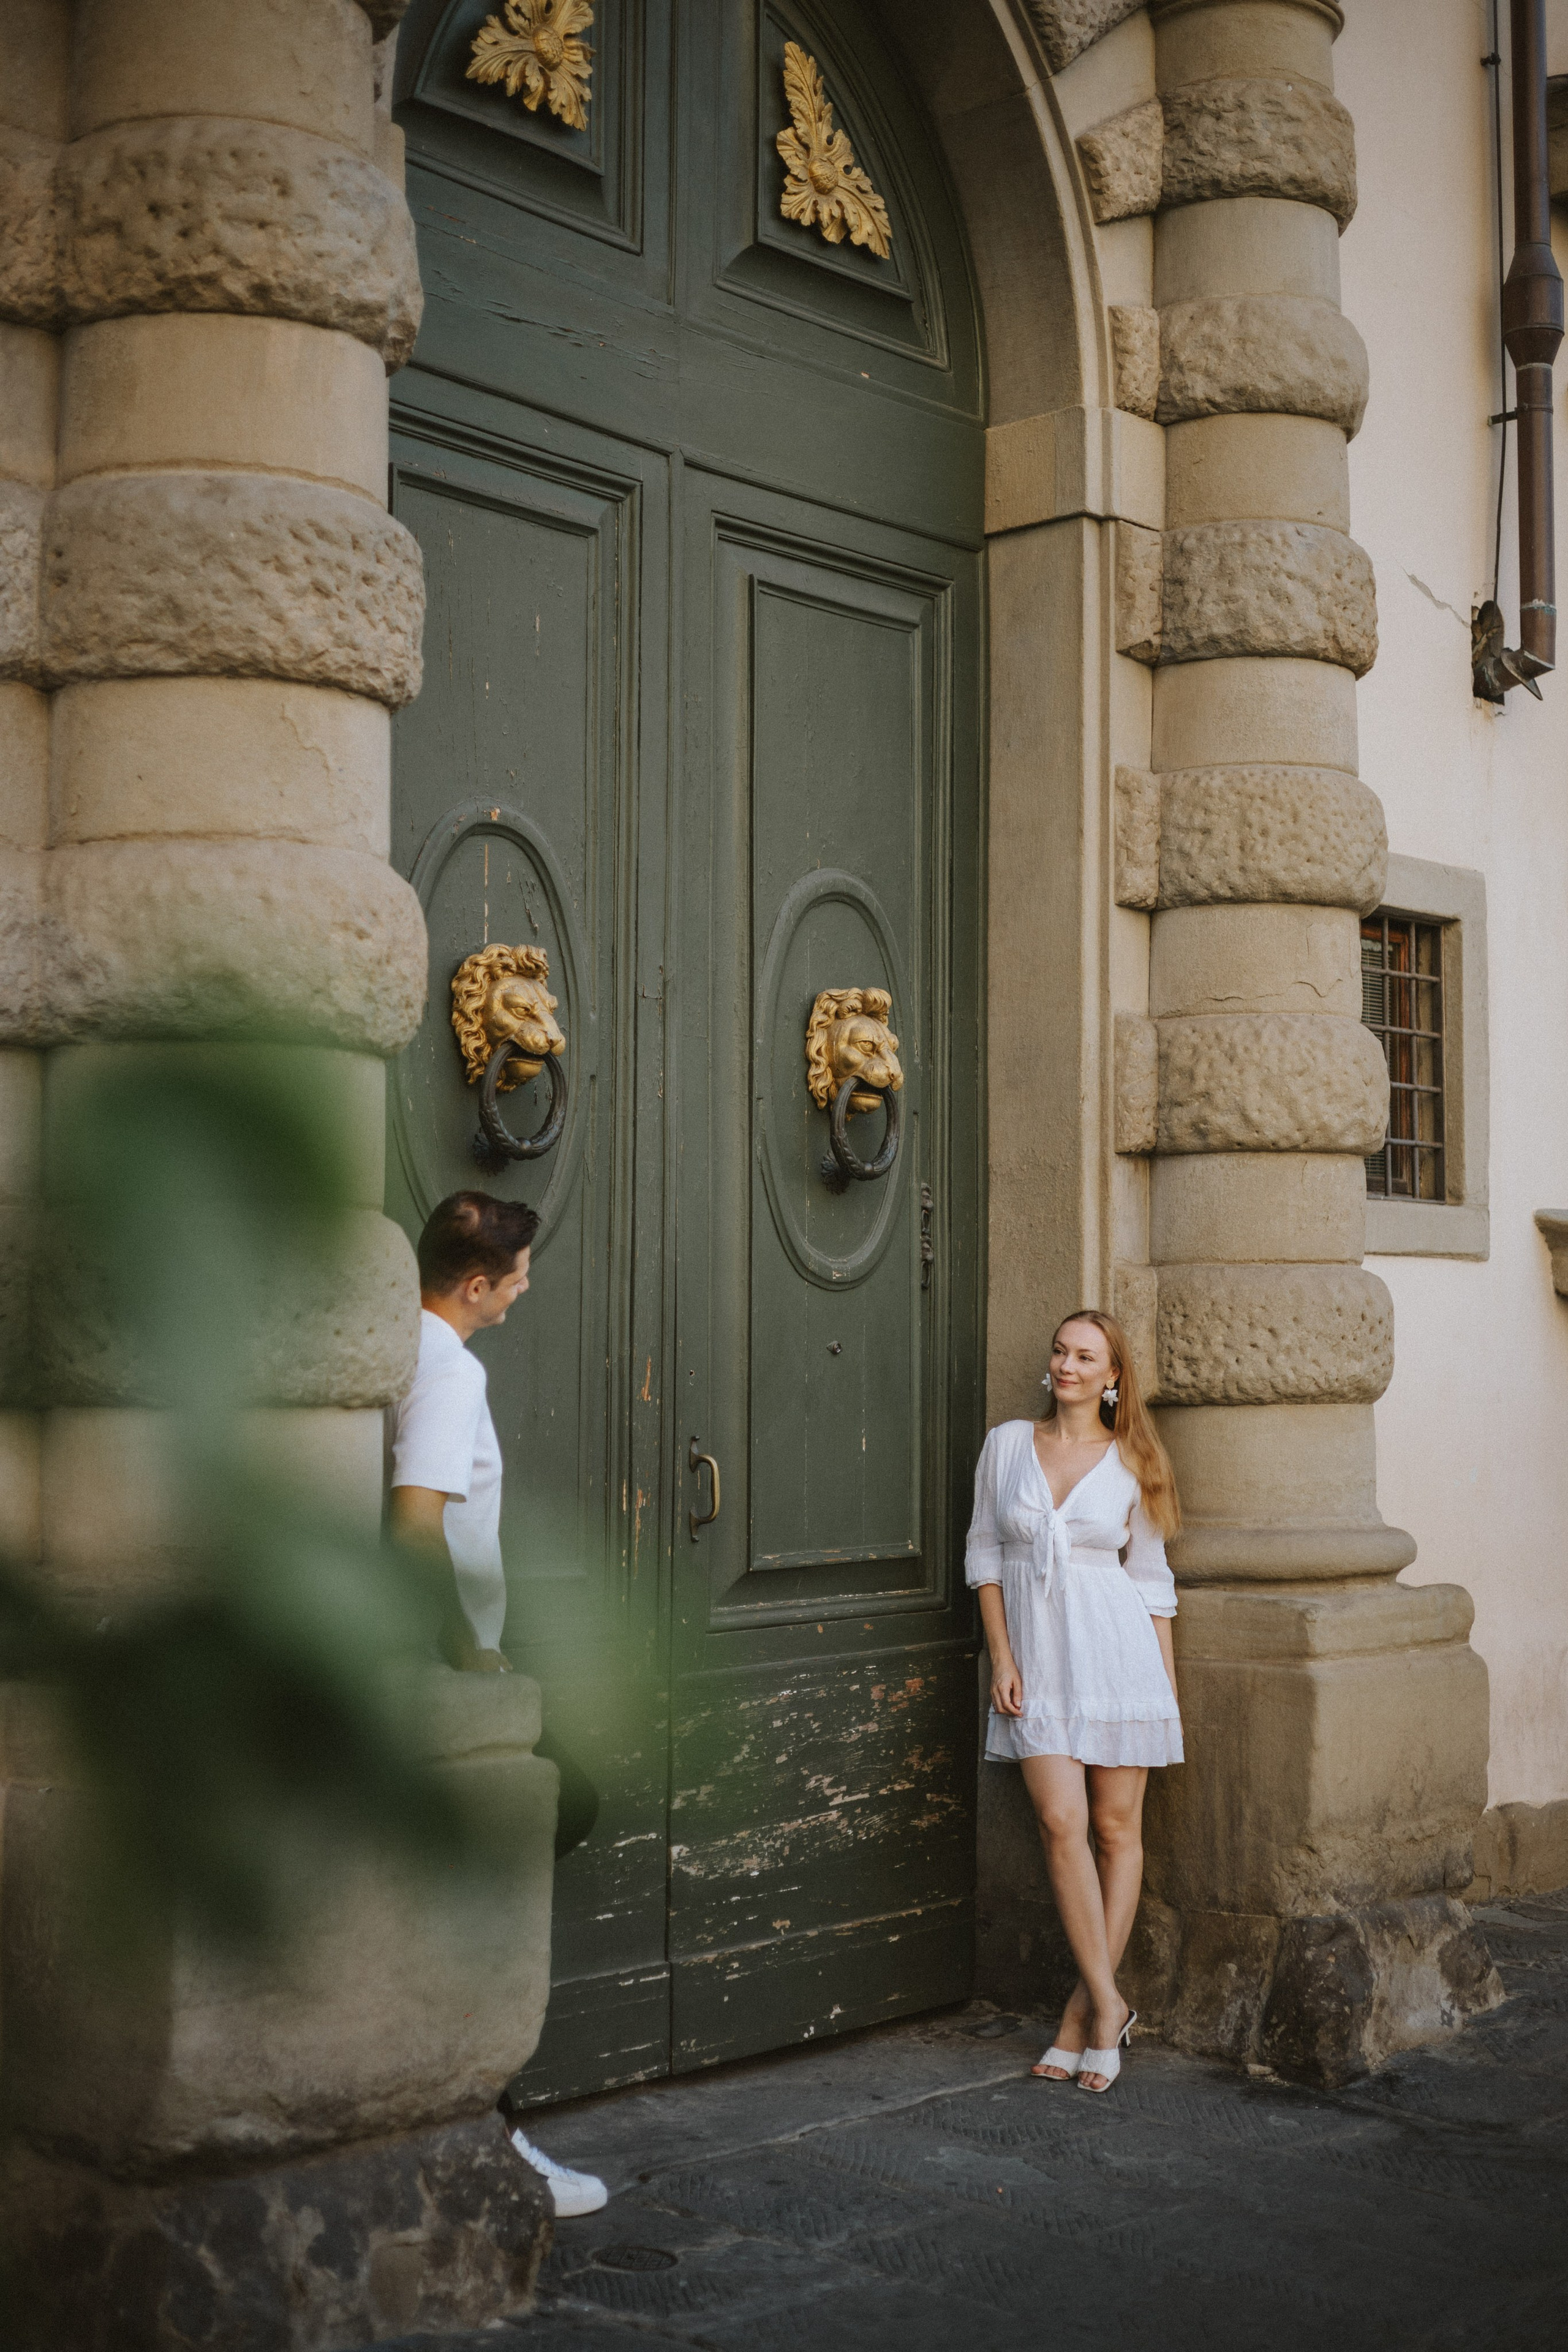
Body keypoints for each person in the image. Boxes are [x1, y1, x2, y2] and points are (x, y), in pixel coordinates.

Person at [390, 1189, 608, 2217]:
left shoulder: (398, 1346)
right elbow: (419, 1526)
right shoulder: (447, 1370)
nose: (524, 1295)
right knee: (541, 1822)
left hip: (438, 1659)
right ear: (476, 1285)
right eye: (516, 1280)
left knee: (556, 1808)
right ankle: (494, 2136)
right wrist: (467, 1656)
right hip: (450, 1664)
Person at [966, 1308, 1182, 2095]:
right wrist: (1002, 1658)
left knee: (1117, 1831)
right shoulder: (1005, 1446)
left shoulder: (1133, 1457)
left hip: (1119, 1659)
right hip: (1036, 1665)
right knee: (1063, 1823)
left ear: (1112, 1375)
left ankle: (1079, 2018)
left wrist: (1163, 1695)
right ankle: (1111, 2002)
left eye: (1085, 1355)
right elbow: (985, 1555)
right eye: (1059, 1350)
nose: (1066, 1364)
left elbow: (1152, 1583)